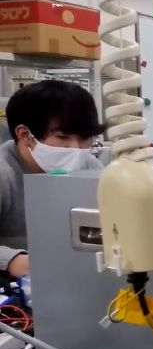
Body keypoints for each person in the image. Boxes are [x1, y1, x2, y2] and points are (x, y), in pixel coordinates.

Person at [0, 80, 105, 277]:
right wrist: (12, 260)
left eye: (85, 138)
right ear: (24, 134)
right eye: (63, 137)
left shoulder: (89, 166)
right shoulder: (4, 174)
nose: (76, 149)